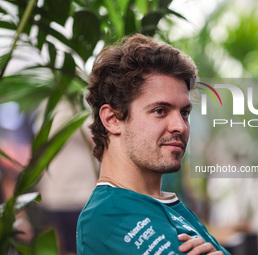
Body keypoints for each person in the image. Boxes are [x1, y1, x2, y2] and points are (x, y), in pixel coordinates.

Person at [76, 34, 230, 255]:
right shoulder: (106, 216)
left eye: (184, 113)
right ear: (111, 119)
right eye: (160, 111)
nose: (180, 126)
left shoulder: (173, 207)